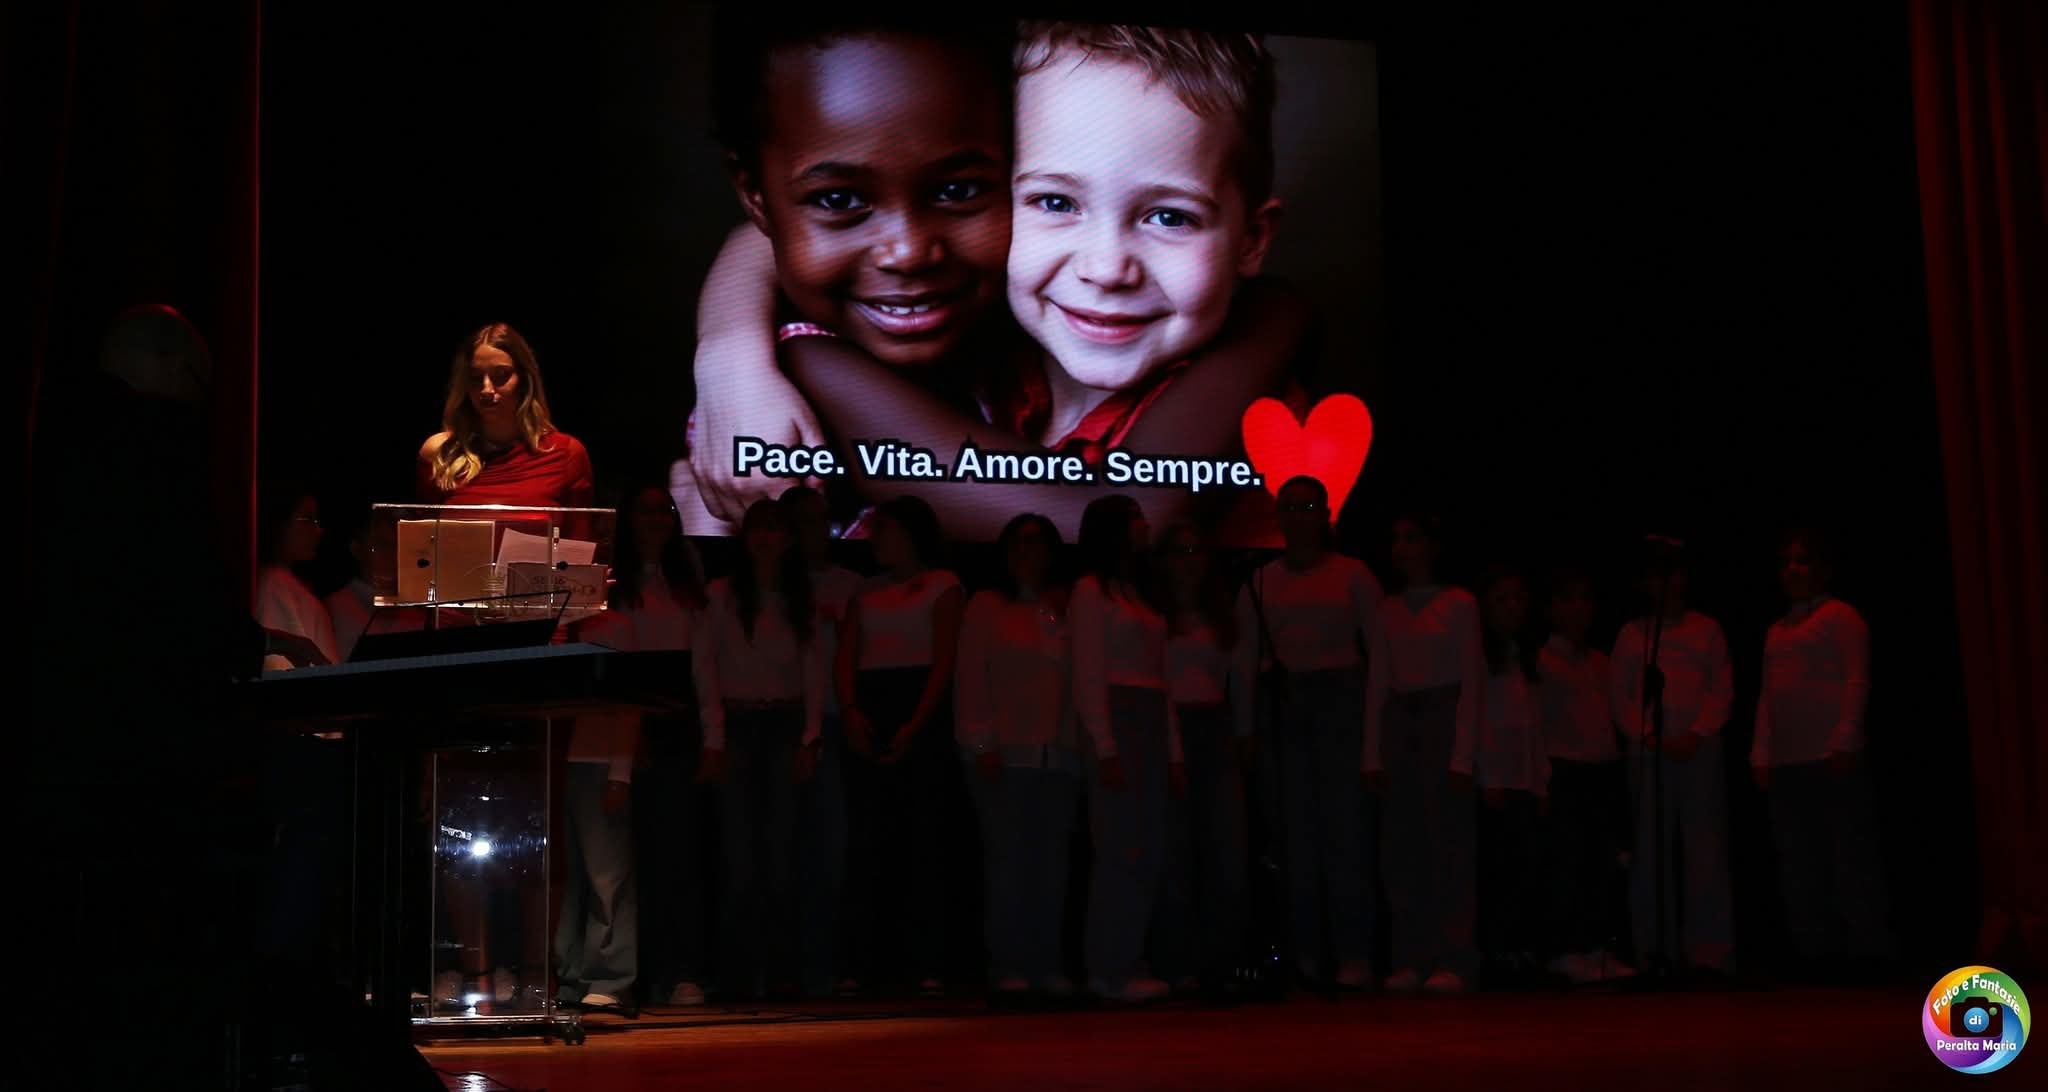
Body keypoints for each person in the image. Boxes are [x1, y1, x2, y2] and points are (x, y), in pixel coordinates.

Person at [680, 19, 1312, 543]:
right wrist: (730, 356)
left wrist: (1277, 314)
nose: (1105, 267)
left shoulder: (1251, 401)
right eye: (1056, 203)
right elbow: (763, 239)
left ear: (1253, 239)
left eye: (1170, 217)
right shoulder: (983, 345)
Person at [1236, 476, 1382, 989]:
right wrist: (1246, 730)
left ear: (1325, 514)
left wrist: (1372, 743)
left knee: (1345, 836)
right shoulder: (1259, 583)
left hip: (1342, 709)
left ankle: (1353, 952)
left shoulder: (1354, 575)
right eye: (1289, 507)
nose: (1298, 517)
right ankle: (1305, 954)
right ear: (1277, 516)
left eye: (1308, 506)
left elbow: (1380, 658)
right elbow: (1245, 662)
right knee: (1294, 840)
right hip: (1284, 712)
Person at [837, 496, 967, 997]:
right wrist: (851, 709)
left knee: (924, 842)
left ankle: (926, 960)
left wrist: (916, 723)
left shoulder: (943, 583)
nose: (875, 538)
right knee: (869, 842)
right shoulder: (865, 589)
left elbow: (944, 661)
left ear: (910, 533)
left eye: (885, 528)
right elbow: (847, 656)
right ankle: (862, 962)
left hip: (922, 713)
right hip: (872, 709)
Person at [695, 499, 825, 999]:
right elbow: (705, 669)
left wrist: (810, 736)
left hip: (784, 725)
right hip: (739, 726)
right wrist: (714, 738)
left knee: (780, 855)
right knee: (740, 859)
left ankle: (780, 971)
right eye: (758, 529)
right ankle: (736, 973)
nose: (767, 539)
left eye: (775, 529)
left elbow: (814, 669)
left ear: (787, 539)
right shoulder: (721, 595)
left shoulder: (799, 597)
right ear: (745, 538)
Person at [1750, 528, 1894, 978]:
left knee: (1849, 857)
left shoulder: (1842, 617)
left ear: (1822, 569)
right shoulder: (1776, 631)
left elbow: (1857, 679)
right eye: (1786, 563)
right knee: (1799, 863)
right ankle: (1815, 956)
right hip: (1787, 764)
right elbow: (1767, 695)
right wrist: (1760, 753)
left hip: (1830, 759)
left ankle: (1867, 954)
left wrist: (1846, 739)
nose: (1793, 570)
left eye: (1803, 561)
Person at [956, 513, 1080, 997]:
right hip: (1004, 757)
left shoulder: (1064, 609)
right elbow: (971, 678)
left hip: (1060, 759)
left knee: (1052, 869)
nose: (1027, 551)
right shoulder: (986, 606)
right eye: (1018, 542)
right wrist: (981, 743)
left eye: (1036, 542)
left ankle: (1046, 964)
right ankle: (1007, 964)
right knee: (1007, 865)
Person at [1362, 512, 1484, 995]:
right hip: (1401, 724)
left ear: (1433, 546)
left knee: (1447, 845)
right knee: (1402, 846)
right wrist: (1372, 754)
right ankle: (1411, 954)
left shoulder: (1460, 604)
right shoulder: (1388, 609)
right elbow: (1378, 680)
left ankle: (1453, 955)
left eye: (1413, 538)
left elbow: (1472, 681)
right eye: (1398, 539)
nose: (1403, 547)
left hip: (1442, 720)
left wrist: (1462, 755)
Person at [603, 485, 711, 1009]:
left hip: (676, 730)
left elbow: (704, 667)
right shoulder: (613, 581)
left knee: (677, 857)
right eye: (645, 510)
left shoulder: (686, 579)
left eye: (664, 510)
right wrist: (629, 735)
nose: (656, 519)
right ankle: (633, 973)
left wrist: (714, 737)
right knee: (625, 860)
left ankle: (680, 970)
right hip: (623, 729)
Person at [1072, 495, 1183, 1002]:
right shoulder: (1090, 591)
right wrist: (1104, 745)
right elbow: (1088, 674)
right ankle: (1108, 967)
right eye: (1136, 516)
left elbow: (1165, 679)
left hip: (1150, 722)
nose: (1145, 524)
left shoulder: (1141, 592)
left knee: (1148, 849)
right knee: (1118, 849)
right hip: (1117, 723)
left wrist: (1174, 752)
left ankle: (1130, 959)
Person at [1610, 543, 1735, 978]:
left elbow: (1721, 688)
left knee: (1705, 851)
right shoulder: (1634, 634)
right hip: (1648, 754)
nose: (1668, 584)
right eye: (1659, 576)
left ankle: (1709, 953)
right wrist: (1647, 735)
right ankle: (1652, 949)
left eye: (1675, 574)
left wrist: (1696, 734)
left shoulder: (1707, 630)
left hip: (1698, 751)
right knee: (1649, 853)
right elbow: (1620, 694)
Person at [1153, 521, 1251, 995]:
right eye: (1179, 551)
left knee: (1226, 850)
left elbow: (1240, 681)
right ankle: (1180, 962)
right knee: (1175, 852)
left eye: (1196, 551)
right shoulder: (1153, 617)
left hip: (1216, 729)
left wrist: (1242, 735)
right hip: (1170, 730)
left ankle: (1221, 961)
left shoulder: (1223, 617)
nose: (1189, 561)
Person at [781, 484, 866, 997]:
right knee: (783, 850)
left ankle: (828, 963)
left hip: (837, 724)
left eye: (822, 520)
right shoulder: (773, 587)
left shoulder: (852, 584)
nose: (819, 532)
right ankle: (786, 965)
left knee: (833, 851)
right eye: (806, 522)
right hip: (780, 724)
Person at [1538, 571, 1634, 983]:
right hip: (1563, 770)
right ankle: (1566, 948)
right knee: (1568, 862)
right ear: (1552, 608)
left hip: (1602, 770)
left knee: (1602, 864)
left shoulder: (1601, 662)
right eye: (1568, 599)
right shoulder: (1542, 661)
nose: (1578, 609)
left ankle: (1598, 947)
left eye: (1585, 600)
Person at [554, 610, 644, 1016]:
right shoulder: (554, 626)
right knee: (571, 876)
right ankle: (571, 975)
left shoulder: (613, 625)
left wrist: (620, 772)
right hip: (555, 758)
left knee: (607, 874)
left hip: (595, 759)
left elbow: (628, 699)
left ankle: (610, 978)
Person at [1473, 564, 1551, 985]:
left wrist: (1540, 781)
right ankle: (1497, 951)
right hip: (1496, 783)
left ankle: (1521, 949)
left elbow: (1534, 726)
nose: (1512, 606)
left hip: (1524, 782)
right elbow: (1480, 720)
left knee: (1526, 869)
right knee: (1497, 871)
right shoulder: (1480, 657)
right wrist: (1488, 776)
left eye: (1519, 598)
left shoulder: (1528, 657)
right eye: (1502, 598)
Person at [417, 322, 593, 508]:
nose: (486, 389)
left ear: (524, 381)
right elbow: (422, 525)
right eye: (476, 378)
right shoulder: (441, 453)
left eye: (501, 375)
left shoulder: (566, 454)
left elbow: (579, 527)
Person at [255, 485, 340, 672]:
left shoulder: (285, 583)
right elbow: (282, 668)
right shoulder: (273, 584)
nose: (318, 530)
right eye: (308, 519)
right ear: (279, 523)